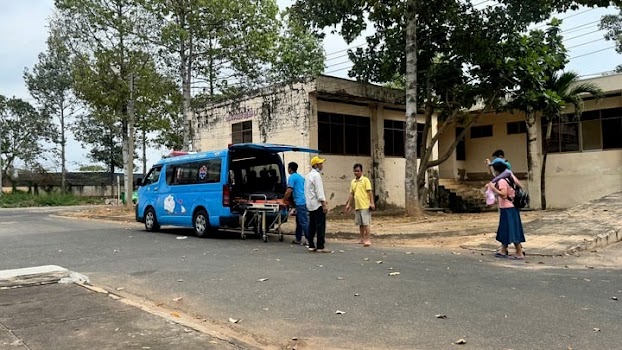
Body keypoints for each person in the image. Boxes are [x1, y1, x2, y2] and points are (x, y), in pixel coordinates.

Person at [486, 161, 526, 259]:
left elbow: (503, 194)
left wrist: (493, 188)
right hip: (512, 207)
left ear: (497, 170)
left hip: (507, 208)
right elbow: (521, 186)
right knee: (505, 229)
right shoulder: (510, 177)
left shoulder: (502, 181)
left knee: (512, 230)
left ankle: (519, 252)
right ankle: (503, 250)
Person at [344, 163, 375, 247]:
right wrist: (348, 204)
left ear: (361, 171)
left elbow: (370, 192)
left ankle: (368, 239)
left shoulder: (365, 180)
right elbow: (351, 194)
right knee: (360, 224)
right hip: (357, 206)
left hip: (365, 205)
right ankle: (362, 239)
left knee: (366, 223)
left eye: (358, 171)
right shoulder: (353, 182)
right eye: (355, 171)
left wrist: (372, 203)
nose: (356, 173)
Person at [304, 156, 329, 253]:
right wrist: (323, 203)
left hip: (310, 204)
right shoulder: (316, 176)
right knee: (320, 225)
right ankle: (320, 246)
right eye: (320, 163)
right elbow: (319, 191)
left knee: (312, 225)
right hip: (317, 204)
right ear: (316, 165)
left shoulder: (308, 176)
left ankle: (311, 244)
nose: (322, 165)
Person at [283, 162, 309, 246]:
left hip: (300, 202)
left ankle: (309, 240)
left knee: (303, 221)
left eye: (288, 168)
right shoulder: (300, 177)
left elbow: (289, 190)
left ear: (290, 169)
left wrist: (284, 199)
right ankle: (298, 239)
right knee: (299, 221)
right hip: (302, 200)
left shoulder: (292, 177)